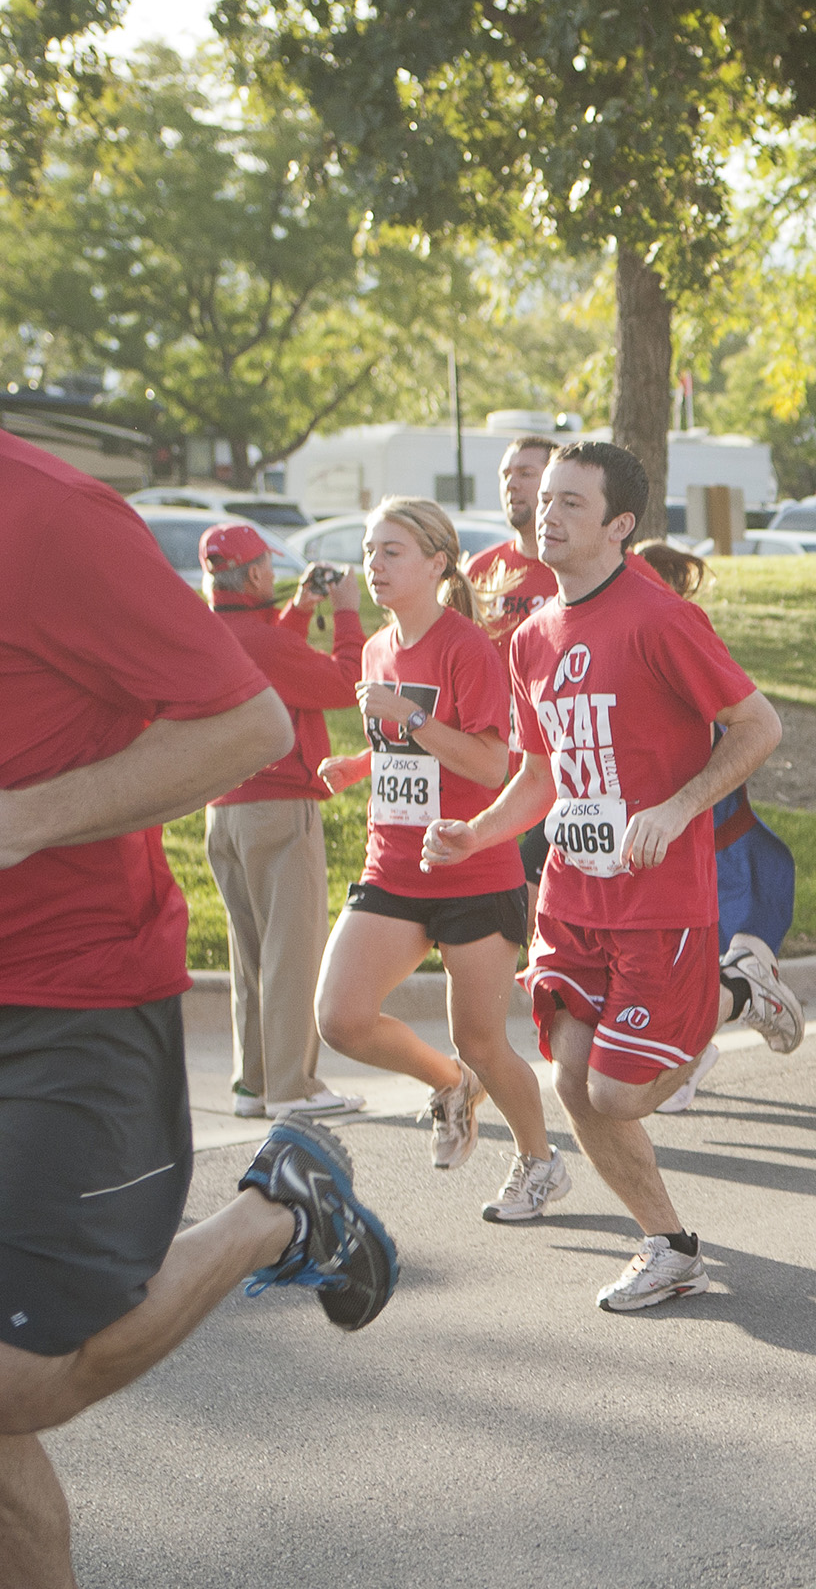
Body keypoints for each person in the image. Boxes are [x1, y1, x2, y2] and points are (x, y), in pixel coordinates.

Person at [1, 428, 397, 1586]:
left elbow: (249, 725)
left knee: (20, 1376)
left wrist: (21, 819)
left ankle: (277, 1207)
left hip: (67, 994)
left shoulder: (45, 517)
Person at [421, 440, 784, 1311]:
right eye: (545, 499)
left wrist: (679, 807)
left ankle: (737, 988)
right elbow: (542, 776)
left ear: (621, 525)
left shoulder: (661, 619)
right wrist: (476, 833)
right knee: (576, 1081)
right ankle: (669, 1244)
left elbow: (757, 726)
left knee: (621, 1093)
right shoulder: (533, 637)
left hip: (661, 898)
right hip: (572, 898)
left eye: (572, 503)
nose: (548, 514)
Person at [311, 499, 568, 1220]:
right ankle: (449, 1084)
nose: (374, 565)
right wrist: (361, 764)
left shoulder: (468, 649)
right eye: (369, 550)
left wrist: (412, 719)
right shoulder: (377, 649)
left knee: (485, 1040)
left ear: (437, 564)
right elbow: (405, 747)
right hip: (392, 865)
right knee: (341, 1017)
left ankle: (539, 1162)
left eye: (391, 551)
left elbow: (491, 765)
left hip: (473, 871)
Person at [627, 539, 807, 1116]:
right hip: (653, 819)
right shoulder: (612, 623)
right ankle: (727, 1008)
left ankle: (729, 1005)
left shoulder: (677, 628)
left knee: (729, 917)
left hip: (699, 808)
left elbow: (746, 719)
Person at [200, 521, 368, 1121]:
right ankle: (293, 1090)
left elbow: (271, 656)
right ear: (251, 576)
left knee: (251, 958)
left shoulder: (214, 631)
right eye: (266, 567)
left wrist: (298, 611)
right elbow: (346, 686)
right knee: (293, 952)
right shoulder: (265, 640)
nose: (274, 574)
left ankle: (256, 1084)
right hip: (279, 807)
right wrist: (346, 614)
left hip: (224, 813)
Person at [468, 434, 564, 884]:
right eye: (506, 474)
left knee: (530, 900)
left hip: (567, 772)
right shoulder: (481, 572)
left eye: (526, 473)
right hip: (494, 771)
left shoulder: (584, 569)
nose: (513, 484)